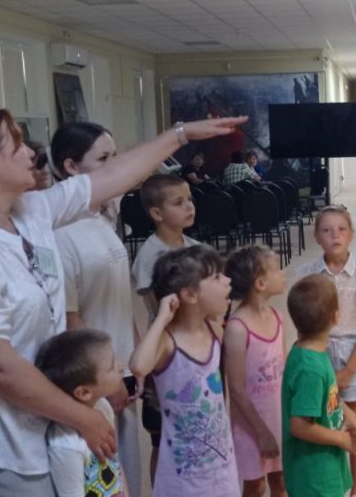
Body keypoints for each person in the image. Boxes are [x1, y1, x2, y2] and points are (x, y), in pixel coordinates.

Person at [0, 108, 244, 495]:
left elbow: (110, 177)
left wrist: (181, 134)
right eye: (17, 144)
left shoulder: (31, 212)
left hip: (61, 419)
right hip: (8, 442)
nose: (31, 153)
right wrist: (82, 418)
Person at [51, 121, 141, 497]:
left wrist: (136, 357)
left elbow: (119, 295)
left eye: (115, 156)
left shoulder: (100, 217)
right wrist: (108, 379)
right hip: (98, 379)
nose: (114, 166)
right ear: (71, 167)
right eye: (103, 158)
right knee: (106, 482)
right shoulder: (59, 231)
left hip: (121, 367)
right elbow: (70, 318)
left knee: (129, 478)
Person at [129, 245, 239, 496]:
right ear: (189, 294)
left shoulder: (215, 332)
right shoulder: (167, 341)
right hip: (183, 476)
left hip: (221, 463)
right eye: (217, 277)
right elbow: (139, 365)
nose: (227, 280)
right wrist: (161, 319)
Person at [294, 204, 356, 497]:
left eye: (341, 229)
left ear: (351, 234)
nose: (335, 236)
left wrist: (350, 370)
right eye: (327, 231)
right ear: (317, 237)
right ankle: (330, 481)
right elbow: (303, 321)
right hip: (320, 352)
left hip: (355, 355)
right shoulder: (308, 275)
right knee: (325, 419)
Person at [129, 173, 202, 482]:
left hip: (197, 343)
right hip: (166, 348)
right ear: (157, 213)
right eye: (179, 202)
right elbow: (155, 308)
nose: (189, 207)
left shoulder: (196, 248)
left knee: (194, 420)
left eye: (190, 200)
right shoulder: (150, 255)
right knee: (163, 433)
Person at [281, 274, 356, 497]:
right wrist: (341, 438)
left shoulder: (311, 353)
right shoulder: (310, 369)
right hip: (314, 477)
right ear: (335, 317)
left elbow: (328, 396)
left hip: (325, 467)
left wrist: (350, 416)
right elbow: (300, 425)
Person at [224, 245, 287, 497]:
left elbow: (284, 367)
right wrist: (261, 432)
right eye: (277, 269)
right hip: (251, 426)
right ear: (260, 283)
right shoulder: (237, 328)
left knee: (282, 482)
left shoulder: (277, 316)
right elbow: (236, 389)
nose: (283, 273)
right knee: (255, 486)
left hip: (278, 418)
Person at [36, 329, 128, 497]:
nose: (121, 366)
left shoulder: (102, 406)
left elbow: (115, 462)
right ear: (84, 392)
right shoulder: (67, 445)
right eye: (111, 367)